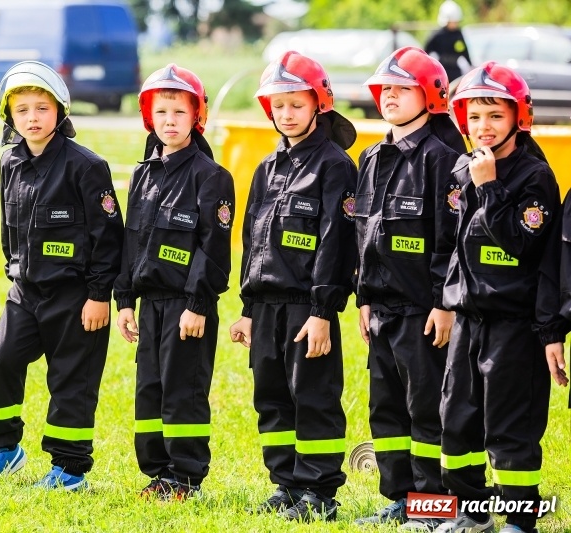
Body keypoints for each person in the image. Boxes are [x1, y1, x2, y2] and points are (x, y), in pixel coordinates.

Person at [0, 61, 124, 491]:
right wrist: (15, 270)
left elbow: (109, 236)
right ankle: (4, 448)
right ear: (10, 117)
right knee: (3, 359)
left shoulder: (87, 166)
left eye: (41, 107)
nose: (33, 118)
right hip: (25, 291)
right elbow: (8, 227)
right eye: (22, 110)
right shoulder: (10, 163)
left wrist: (99, 294)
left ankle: (69, 468)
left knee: (71, 380)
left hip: (77, 298)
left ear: (60, 110)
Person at [227, 51, 358, 523]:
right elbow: (252, 239)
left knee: (314, 397)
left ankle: (319, 492)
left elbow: (336, 243)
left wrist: (324, 312)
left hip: (308, 308)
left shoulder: (335, 166)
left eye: (295, 104)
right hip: (265, 307)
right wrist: (247, 306)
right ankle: (285, 484)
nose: (286, 114)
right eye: (277, 105)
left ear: (319, 104)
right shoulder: (266, 167)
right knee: (272, 397)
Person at [437, 61, 562, 533]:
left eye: (493, 115)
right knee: (458, 417)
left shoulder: (535, 177)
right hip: (469, 317)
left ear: (517, 117)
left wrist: (489, 186)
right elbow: (453, 244)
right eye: (473, 116)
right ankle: (470, 514)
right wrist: (446, 301)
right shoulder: (462, 168)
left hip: (514, 324)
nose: (482, 127)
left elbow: (520, 242)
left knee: (509, 424)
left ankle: (519, 519)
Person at [353, 46, 466, 532]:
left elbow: (451, 238)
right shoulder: (372, 156)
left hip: (423, 311)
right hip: (380, 308)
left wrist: (445, 302)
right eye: (385, 89)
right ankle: (399, 497)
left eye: (402, 88)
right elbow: (363, 233)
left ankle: (432, 504)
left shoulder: (445, 160)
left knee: (426, 408)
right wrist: (361, 297)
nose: (390, 96)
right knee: (386, 407)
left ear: (431, 97)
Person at [114, 64, 235, 501]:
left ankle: (185, 477)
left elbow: (213, 249)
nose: (169, 121)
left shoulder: (211, 177)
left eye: (179, 113)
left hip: (187, 306)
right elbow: (130, 240)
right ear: (150, 117)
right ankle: (158, 472)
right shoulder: (143, 174)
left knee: (183, 388)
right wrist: (124, 299)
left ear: (195, 117)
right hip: (150, 304)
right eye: (161, 112)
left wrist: (199, 304)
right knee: (150, 388)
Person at [424, 0, 472, 83]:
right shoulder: (437, 35)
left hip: (456, 71)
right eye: (452, 22)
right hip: (441, 70)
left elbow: (465, 51)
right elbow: (426, 52)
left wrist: (471, 66)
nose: (454, 24)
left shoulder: (458, 35)